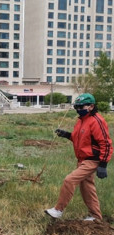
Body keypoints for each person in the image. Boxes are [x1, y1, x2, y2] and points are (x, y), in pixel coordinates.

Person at [46, 93, 112, 221]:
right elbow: (80, 139)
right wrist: (66, 135)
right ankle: (95, 217)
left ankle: (58, 210)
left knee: (69, 180)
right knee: (87, 188)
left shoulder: (97, 121)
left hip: (92, 159)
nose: (78, 109)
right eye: (76, 106)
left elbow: (106, 144)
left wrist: (103, 164)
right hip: (81, 159)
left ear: (91, 106)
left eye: (81, 107)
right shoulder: (81, 120)